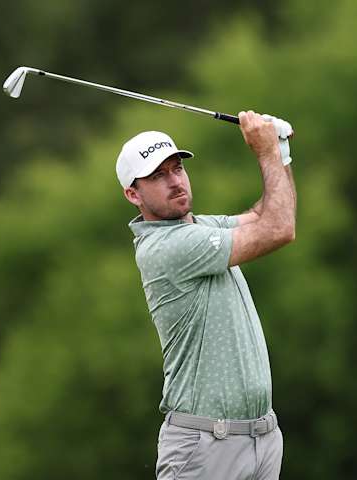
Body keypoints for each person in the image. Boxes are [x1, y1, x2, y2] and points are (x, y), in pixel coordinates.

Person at [116, 111, 296, 480]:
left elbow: (269, 212)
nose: (174, 181)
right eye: (158, 176)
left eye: (177, 169)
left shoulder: (200, 227)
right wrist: (265, 153)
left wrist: (281, 153)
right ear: (133, 194)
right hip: (205, 447)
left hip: (261, 438)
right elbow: (279, 229)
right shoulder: (168, 247)